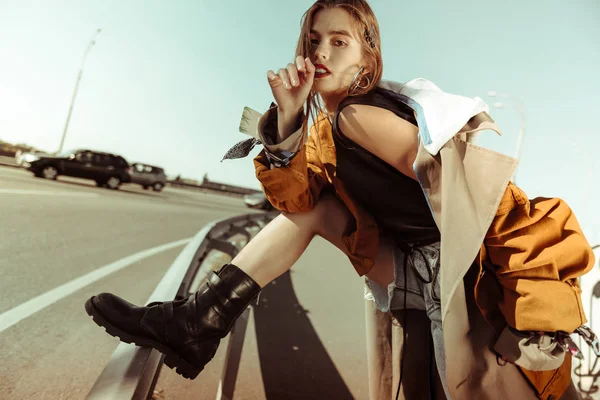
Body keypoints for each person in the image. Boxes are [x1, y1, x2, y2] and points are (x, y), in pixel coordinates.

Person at [84, 1, 596, 399]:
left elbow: (471, 190)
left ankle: (198, 322)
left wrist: (532, 286)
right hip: (417, 269)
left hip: (457, 276)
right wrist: (287, 119)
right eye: (312, 41)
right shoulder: (326, 129)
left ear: (366, 57)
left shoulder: (356, 115)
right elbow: (297, 203)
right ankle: (200, 321)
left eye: (338, 41)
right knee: (319, 210)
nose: (321, 53)